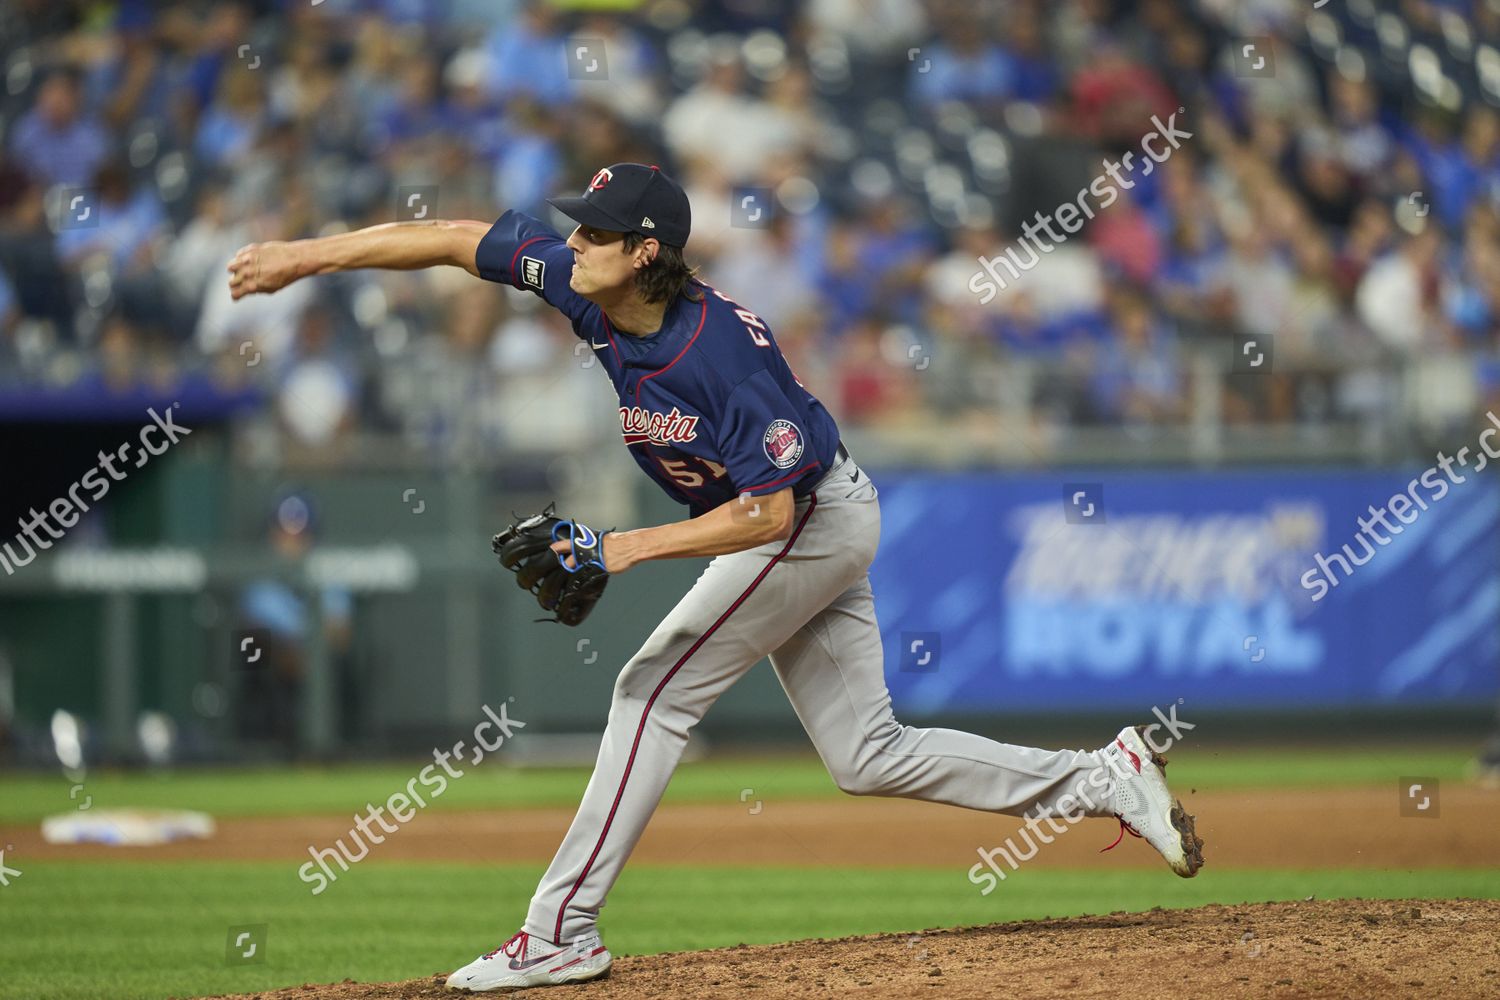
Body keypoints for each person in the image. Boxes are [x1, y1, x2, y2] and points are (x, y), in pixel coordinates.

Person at [227, 162, 1204, 993]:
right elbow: (450, 238)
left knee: (649, 692)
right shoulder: (580, 284)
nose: (577, 243)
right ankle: (1104, 777)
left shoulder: (718, 355)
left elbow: (769, 514)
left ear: (647, 251)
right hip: (813, 515)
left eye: (600, 233)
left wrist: (617, 549)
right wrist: (300, 258)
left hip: (808, 518)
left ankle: (561, 928)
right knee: (866, 754)